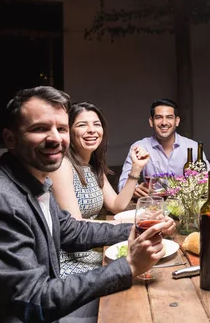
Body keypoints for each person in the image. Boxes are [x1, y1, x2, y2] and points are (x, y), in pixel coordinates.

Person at [0, 86, 176, 323]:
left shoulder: (33, 182)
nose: (54, 138)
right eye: (40, 129)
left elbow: (71, 230)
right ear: (10, 138)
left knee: (138, 304)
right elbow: (34, 300)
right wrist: (129, 265)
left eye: (61, 128)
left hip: (37, 306)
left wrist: (141, 228)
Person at [49, 101, 151, 278]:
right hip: (66, 261)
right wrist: (133, 226)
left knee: (149, 266)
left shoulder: (92, 166)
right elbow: (76, 226)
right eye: (82, 125)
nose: (91, 130)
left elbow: (117, 205)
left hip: (89, 253)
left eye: (96, 124)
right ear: (69, 132)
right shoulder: (63, 166)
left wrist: (136, 169)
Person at [118, 98, 210, 197]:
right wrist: (134, 189)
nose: (164, 122)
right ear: (151, 121)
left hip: (186, 207)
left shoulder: (193, 147)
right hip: (153, 207)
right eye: (158, 117)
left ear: (177, 121)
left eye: (169, 117)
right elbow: (122, 186)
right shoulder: (139, 147)